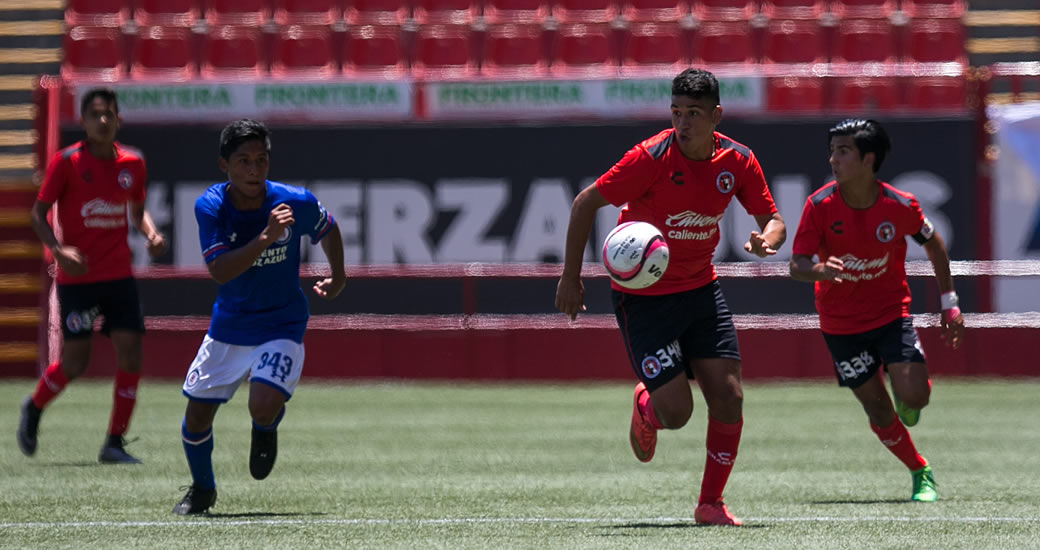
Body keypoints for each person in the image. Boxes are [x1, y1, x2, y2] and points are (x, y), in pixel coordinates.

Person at [555, 68, 786, 526]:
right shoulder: (649, 157)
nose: (683, 123)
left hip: (702, 289)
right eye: (677, 112)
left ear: (716, 115)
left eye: (694, 114)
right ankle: (648, 405)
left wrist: (769, 239)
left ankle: (710, 504)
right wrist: (571, 278)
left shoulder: (738, 161)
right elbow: (585, 203)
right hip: (643, 299)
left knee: (730, 397)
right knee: (677, 414)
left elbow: (773, 219)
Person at [172, 119, 346, 515]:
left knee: (262, 403)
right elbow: (220, 271)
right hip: (230, 327)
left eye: (261, 160)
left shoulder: (294, 201)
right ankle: (202, 489)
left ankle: (265, 429)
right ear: (224, 165)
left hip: (281, 323)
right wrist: (266, 237)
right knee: (197, 416)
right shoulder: (211, 206)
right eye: (244, 161)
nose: (254, 169)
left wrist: (338, 276)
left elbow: (329, 228)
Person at [789, 118, 965, 502]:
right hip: (840, 325)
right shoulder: (819, 205)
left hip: (890, 316)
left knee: (915, 397)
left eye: (843, 151)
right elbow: (796, 265)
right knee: (878, 410)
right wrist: (817, 271)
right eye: (832, 150)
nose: (833, 159)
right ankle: (920, 470)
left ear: (868, 159)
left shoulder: (900, 206)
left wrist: (949, 303)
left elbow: (934, 246)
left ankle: (909, 394)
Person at [18, 87, 166, 464]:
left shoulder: (132, 163)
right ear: (83, 121)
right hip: (78, 279)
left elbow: (138, 211)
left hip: (118, 276)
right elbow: (38, 214)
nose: (103, 121)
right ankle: (34, 407)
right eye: (95, 114)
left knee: (131, 355)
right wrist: (58, 250)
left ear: (118, 119)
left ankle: (113, 443)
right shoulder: (65, 162)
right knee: (75, 363)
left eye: (109, 114)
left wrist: (150, 233)